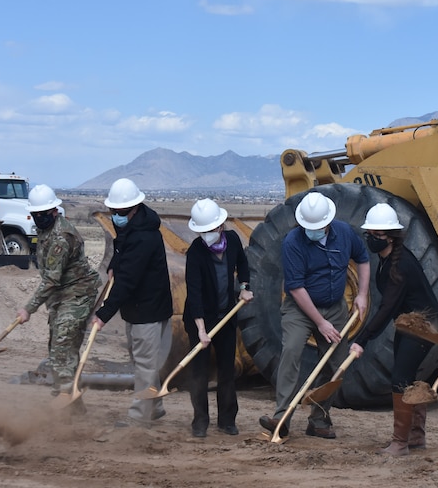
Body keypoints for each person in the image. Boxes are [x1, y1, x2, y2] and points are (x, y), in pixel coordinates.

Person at [259, 191, 369, 439]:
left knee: (337, 364)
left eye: (318, 226)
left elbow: (363, 259)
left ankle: (319, 419)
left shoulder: (344, 233)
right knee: (292, 352)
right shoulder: (292, 243)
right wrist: (320, 323)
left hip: (335, 307)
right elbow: (296, 288)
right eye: (308, 226)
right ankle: (281, 416)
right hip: (300, 309)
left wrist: (362, 294)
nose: (313, 230)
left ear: (328, 223)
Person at [350, 203, 438, 457]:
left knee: (400, 378)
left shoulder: (400, 265)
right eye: (370, 234)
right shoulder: (387, 259)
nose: (372, 239)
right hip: (409, 321)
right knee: (407, 376)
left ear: (390, 237)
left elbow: (387, 308)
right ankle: (415, 438)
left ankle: (400, 442)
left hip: (424, 324)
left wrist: (362, 340)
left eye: (377, 236)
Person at [93, 178, 174, 429]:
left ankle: (140, 415)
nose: (116, 216)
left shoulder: (143, 237)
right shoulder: (135, 227)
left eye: (121, 212)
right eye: (113, 212)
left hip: (147, 311)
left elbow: (127, 281)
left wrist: (103, 313)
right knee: (145, 361)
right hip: (144, 308)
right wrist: (113, 266)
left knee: (145, 364)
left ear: (136, 207)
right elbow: (122, 256)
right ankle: (155, 407)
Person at [17, 185, 101, 410]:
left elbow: (51, 279)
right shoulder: (45, 230)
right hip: (60, 296)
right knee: (59, 348)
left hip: (77, 294)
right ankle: (74, 406)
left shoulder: (62, 237)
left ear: (54, 211)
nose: (38, 218)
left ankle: (64, 394)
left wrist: (29, 308)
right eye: (35, 214)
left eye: (43, 214)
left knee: (62, 344)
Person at [183, 198, 254, 438]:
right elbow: (194, 294)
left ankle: (227, 420)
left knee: (226, 370)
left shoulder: (233, 240)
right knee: (199, 372)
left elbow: (243, 265)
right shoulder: (195, 252)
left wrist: (244, 286)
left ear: (220, 226)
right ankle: (200, 421)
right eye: (202, 231)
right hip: (200, 318)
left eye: (210, 230)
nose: (207, 235)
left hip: (227, 316)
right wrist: (201, 331)